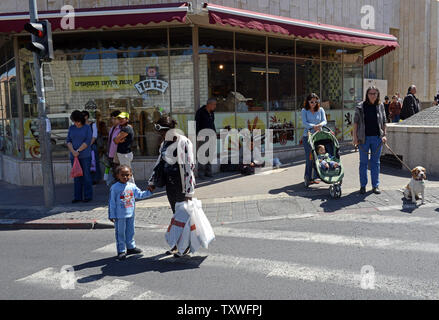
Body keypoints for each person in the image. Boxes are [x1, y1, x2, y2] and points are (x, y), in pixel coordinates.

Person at [147, 115, 196, 257]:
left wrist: (189, 192)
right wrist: (152, 182)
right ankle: (177, 244)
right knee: (176, 215)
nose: (161, 136)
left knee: (183, 216)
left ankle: (184, 245)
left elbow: (189, 167)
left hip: (182, 185)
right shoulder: (164, 144)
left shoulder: (184, 142)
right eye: (160, 134)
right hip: (170, 184)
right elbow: (159, 163)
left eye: (162, 133)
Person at [108, 165, 153, 261]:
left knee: (130, 231)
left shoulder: (132, 186)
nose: (125, 177)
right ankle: (121, 250)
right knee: (120, 233)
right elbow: (112, 202)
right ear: (117, 176)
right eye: (122, 175)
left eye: (127, 175)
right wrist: (111, 215)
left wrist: (149, 191)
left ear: (131, 175)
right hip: (119, 216)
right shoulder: (115, 188)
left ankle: (131, 247)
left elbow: (140, 194)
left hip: (130, 214)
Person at [353, 86, 387, 195]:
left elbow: (384, 121)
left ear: (378, 95)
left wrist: (384, 135)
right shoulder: (360, 106)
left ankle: (375, 185)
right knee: (363, 163)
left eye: (375, 93)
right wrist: (355, 137)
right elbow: (355, 123)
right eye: (370, 93)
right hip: (363, 138)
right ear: (367, 95)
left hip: (377, 138)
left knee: (375, 163)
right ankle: (363, 186)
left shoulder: (380, 105)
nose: (373, 96)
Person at [66, 110, 93, 203]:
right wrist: (73, 151)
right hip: (74, 156)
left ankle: (88, 196)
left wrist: (78, 151)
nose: (76, 123)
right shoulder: (71, 128)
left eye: (77, 121)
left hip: (85, 156)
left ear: (81, 120)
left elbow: (88, 141)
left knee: (86, 176)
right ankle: (77, 196)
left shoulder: (87, 127)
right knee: (76, 176)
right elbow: (68, 140)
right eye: (74, 121)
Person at [301, 93, 327, 185]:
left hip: (318, 136)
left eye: (316, 102)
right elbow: (304, 123)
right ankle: (308, 177)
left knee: (319, 157)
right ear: (308, 102)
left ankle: (316, 176)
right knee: (310, 158)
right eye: (312, 102)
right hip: (308, 137)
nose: (314, 103)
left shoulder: (320, 110)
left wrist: (320, 125)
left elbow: (324, 121)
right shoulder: (304, 110)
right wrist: (314, 126)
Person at [195, 98, 217, 178]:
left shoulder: (212, 112)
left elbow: (212, 123)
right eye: (214, 104)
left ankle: (208, 172)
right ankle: (201, 173)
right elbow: (197, 124)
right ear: (209, 104)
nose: (215, 106)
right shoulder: (200, 112)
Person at [113, 112, 135, 183]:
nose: (121, 120)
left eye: (123, 118)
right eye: (119, 118)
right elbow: (115, 140)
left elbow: (116, 140)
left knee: (127, 172)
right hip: (123, 153)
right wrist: (118, 140)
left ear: (127, 119)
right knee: (125, 171)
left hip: (125, 154)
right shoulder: (125, 128)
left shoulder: (126, 128)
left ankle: (132, 190)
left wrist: (118, 139)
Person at [82, 110, 101, 184]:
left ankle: (95, 179)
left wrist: (88, 145)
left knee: (94, 162)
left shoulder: (92, 124)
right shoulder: (80, 125)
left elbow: (94, 136)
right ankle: (87, 178)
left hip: (91, 146)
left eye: (83, 116)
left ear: (86, 116)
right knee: (85, 163)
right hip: (83, 146)